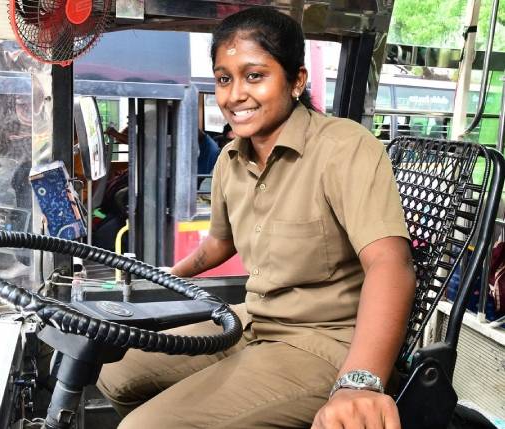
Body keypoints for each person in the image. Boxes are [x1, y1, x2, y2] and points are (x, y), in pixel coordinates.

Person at [98, 7, 415, 429]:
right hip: (253, 321)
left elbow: (392, 265)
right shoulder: (231, 159)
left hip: (325, 344)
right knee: (112, 371)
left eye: (254, 76)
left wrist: (359, 382)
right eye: (224, 78)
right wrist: (163, 276)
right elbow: (218, 244)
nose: (234, 95)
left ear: (296, 81)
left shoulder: (345, 147)